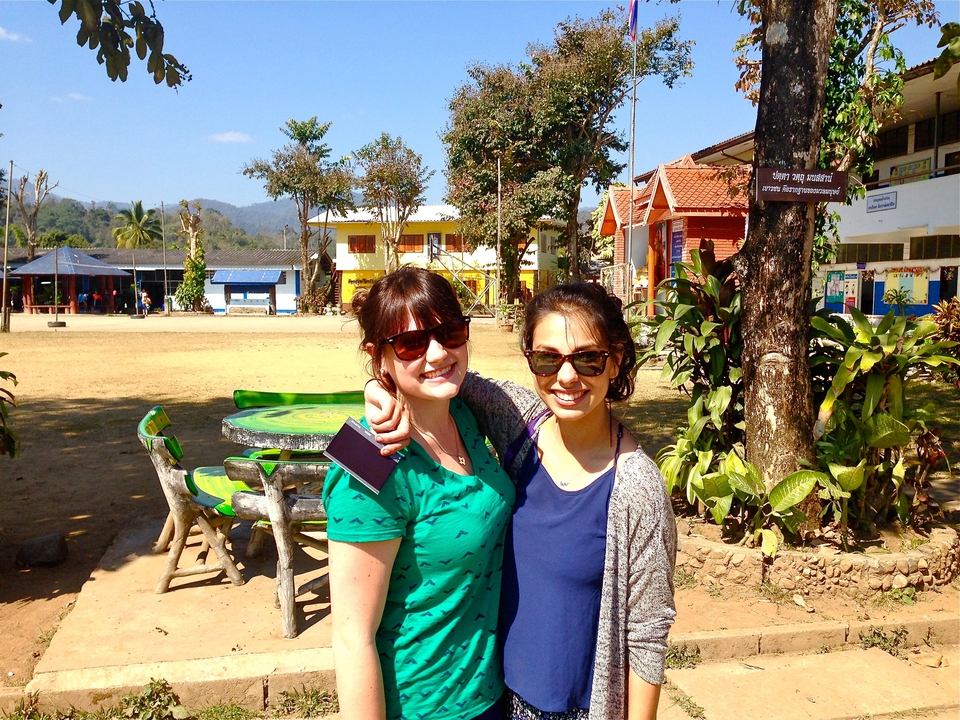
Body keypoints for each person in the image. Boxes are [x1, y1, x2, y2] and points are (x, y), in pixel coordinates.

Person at [367, 282, 676, 720]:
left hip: (576, 711)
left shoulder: (637, 487)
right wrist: (377, 387)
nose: (566, 377)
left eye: (588, 358)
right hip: (498, 699)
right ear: (531, 361)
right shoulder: (519, 424)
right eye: (548, 359)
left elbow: (648, 634)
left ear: (616, 361)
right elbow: (433, 372)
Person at [322, 267, 514, 720]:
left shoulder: (466, 414)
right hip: (422, 707)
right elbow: (352, 637)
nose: (437, 353)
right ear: (378, 356)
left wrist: (376, 386)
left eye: (449, 332)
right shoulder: (368, 459)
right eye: (410, 344)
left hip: (489, 694)